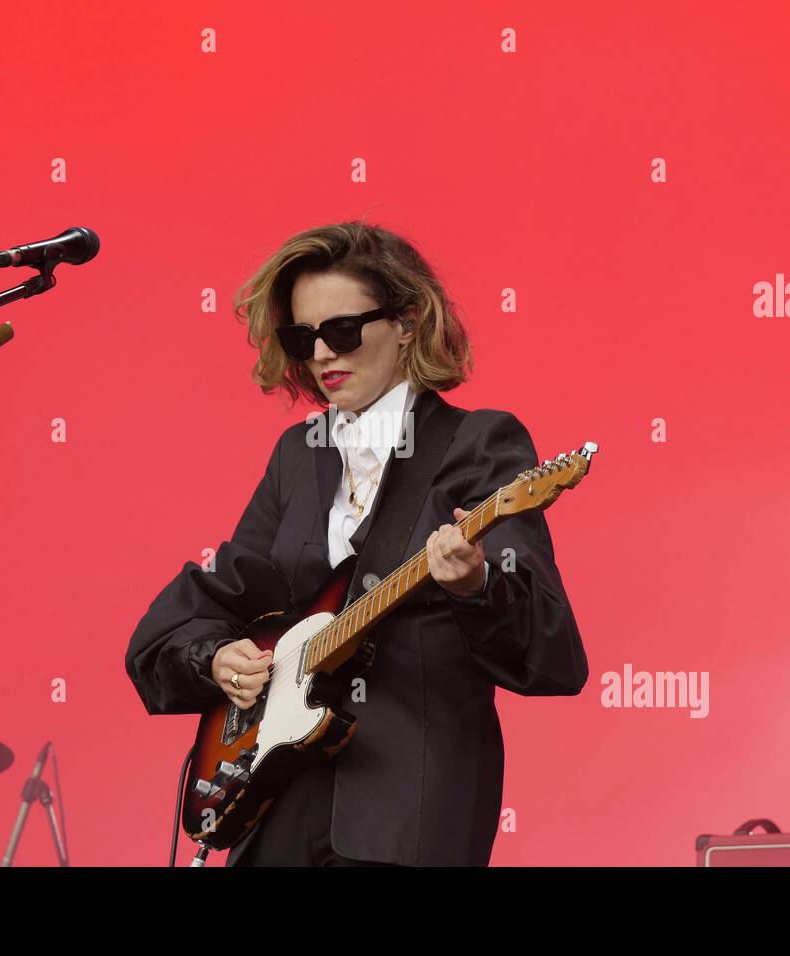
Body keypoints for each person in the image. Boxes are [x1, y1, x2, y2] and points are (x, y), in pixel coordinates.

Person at [125, 221, 588, 866]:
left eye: (341, 330)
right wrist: (215, 658)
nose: (320, 354)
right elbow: (215, 597)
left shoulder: (480, 443)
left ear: (407, 321)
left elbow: (551, 654)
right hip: (278, 798)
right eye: (301, 336)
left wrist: (476, 587)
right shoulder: (299, 455)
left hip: (408, 810)